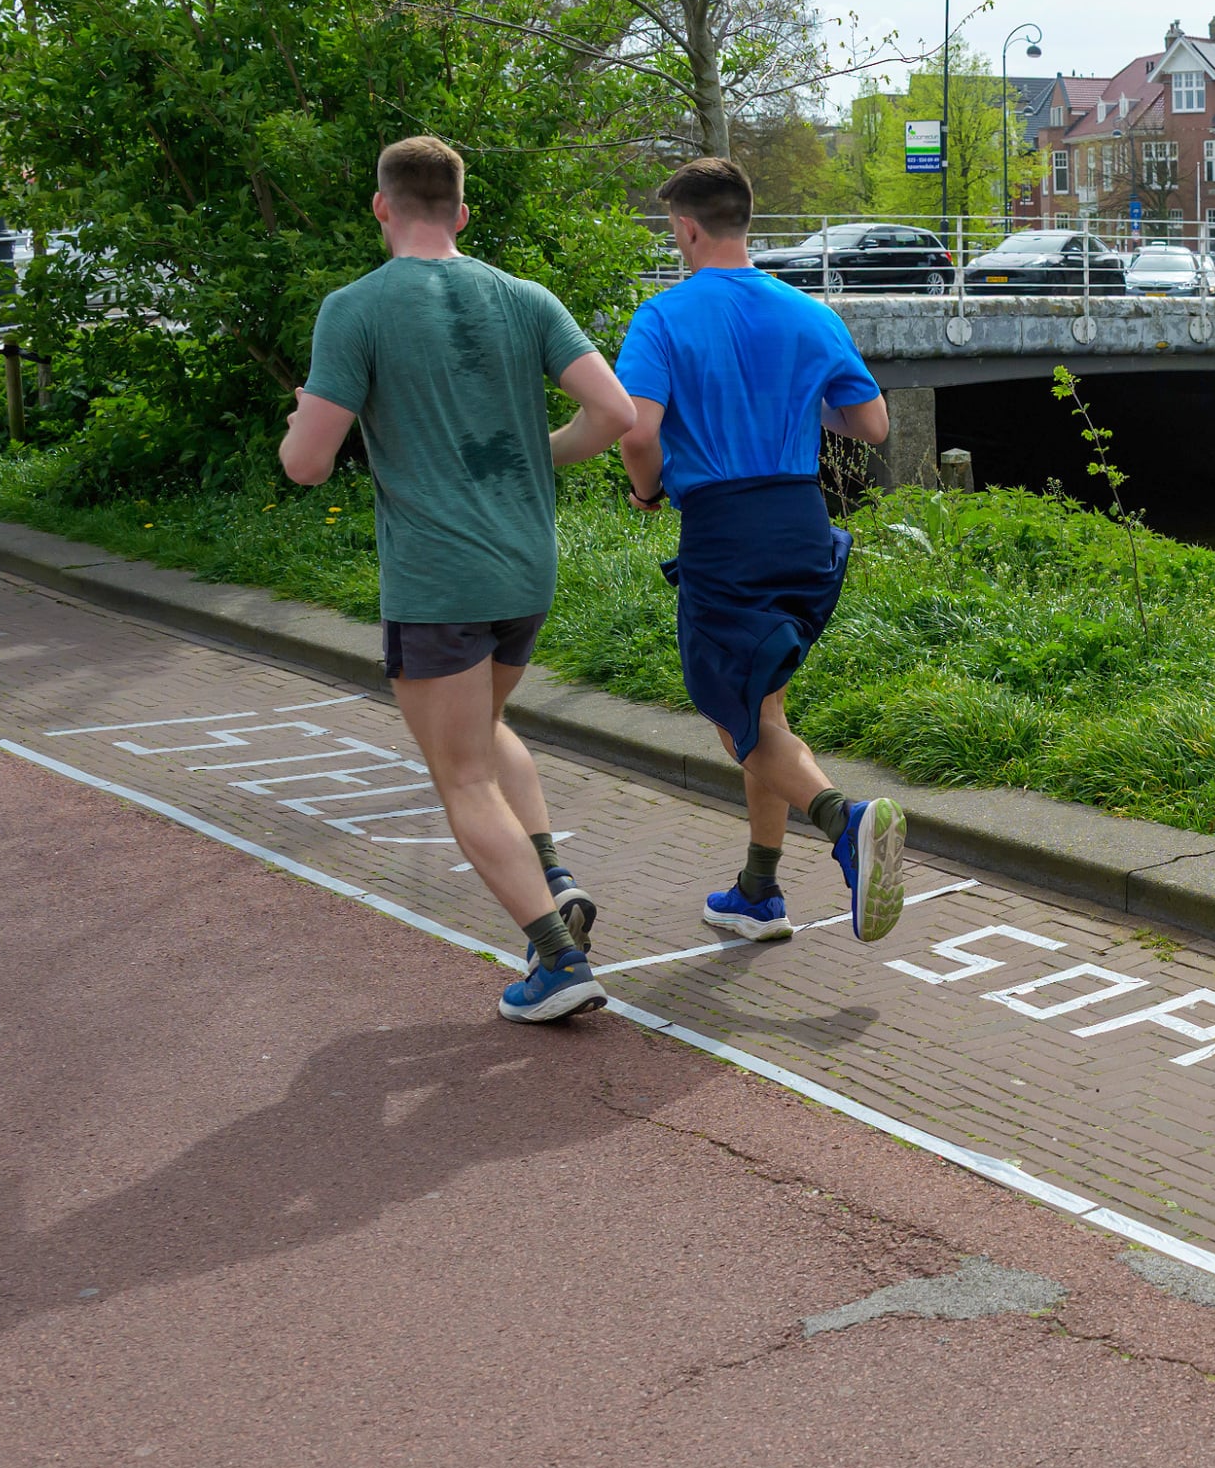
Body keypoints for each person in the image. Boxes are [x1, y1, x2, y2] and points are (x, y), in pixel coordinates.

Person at [281, 136, 637, 1023]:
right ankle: (554, 877)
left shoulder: (354, 309)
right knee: (484, 728)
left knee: (460, 776)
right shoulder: (525, 298)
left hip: (439, 579)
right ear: (464, 213)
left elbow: (309, 465)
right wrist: (529, 460)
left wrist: (297, 426)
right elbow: (616, 412)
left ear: (381, 208)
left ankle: (557, 959)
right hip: (528, 565)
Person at [613, 156, 907, 946]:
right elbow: (871, 426)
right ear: (746, 221)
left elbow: (636, 430)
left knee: (734, 714)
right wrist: (802, 405)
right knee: (761, 707)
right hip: (804, 531)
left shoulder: (664, 318)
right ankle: (758, 891)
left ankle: (844, 824)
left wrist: (646, 492)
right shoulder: (810, 314)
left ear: (687, 228)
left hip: (725, 533)